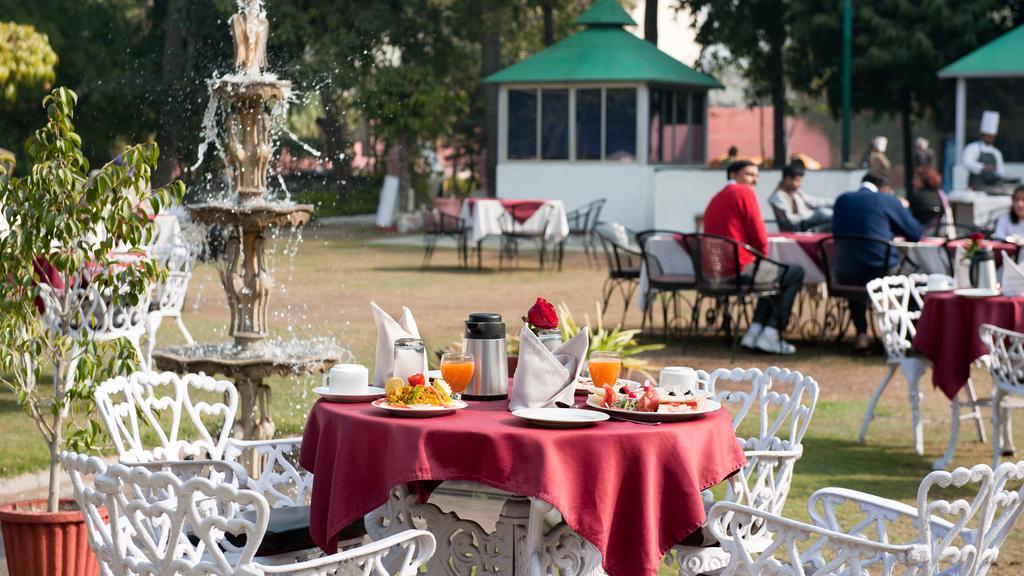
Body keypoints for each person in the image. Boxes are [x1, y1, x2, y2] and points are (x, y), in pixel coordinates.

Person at [703, 160, 805, 355]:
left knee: (773, 276)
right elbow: (759, 235)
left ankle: (756, 330)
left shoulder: (716, 197)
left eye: (757, 176)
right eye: (749, 174)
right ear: (733, 175)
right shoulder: (744, 193)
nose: (754, 180)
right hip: (738, 270)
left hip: (716, 273)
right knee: (793, 273)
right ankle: (772, 332)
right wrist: (762, 258)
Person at [832, 173, 923, 352]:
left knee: (856, 268)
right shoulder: (886, 200)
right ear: (885, 189)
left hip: (845, 273)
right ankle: (903, 335)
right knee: (914, 280)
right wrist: (902, 209)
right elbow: (915, 233)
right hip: (880, 272)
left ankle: (861, 336)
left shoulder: (842, 200)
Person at [768, 163, 833, 231]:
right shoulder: (778, 197)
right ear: (787, 179)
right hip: (800, 227)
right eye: (797, 180)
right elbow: (790, 220)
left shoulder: (795, 192)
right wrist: (809, 215)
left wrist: (837, 201)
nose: (800, 185)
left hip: (807, 222)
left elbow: (814, 202)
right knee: (824, 213)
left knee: (826, 213)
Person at [907, 166, 949, 234]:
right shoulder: (941, 196)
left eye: (916, 179)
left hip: (917, 236)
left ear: (924, 180)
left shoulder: (916, 197)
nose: (913, 181)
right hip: (937, 235)